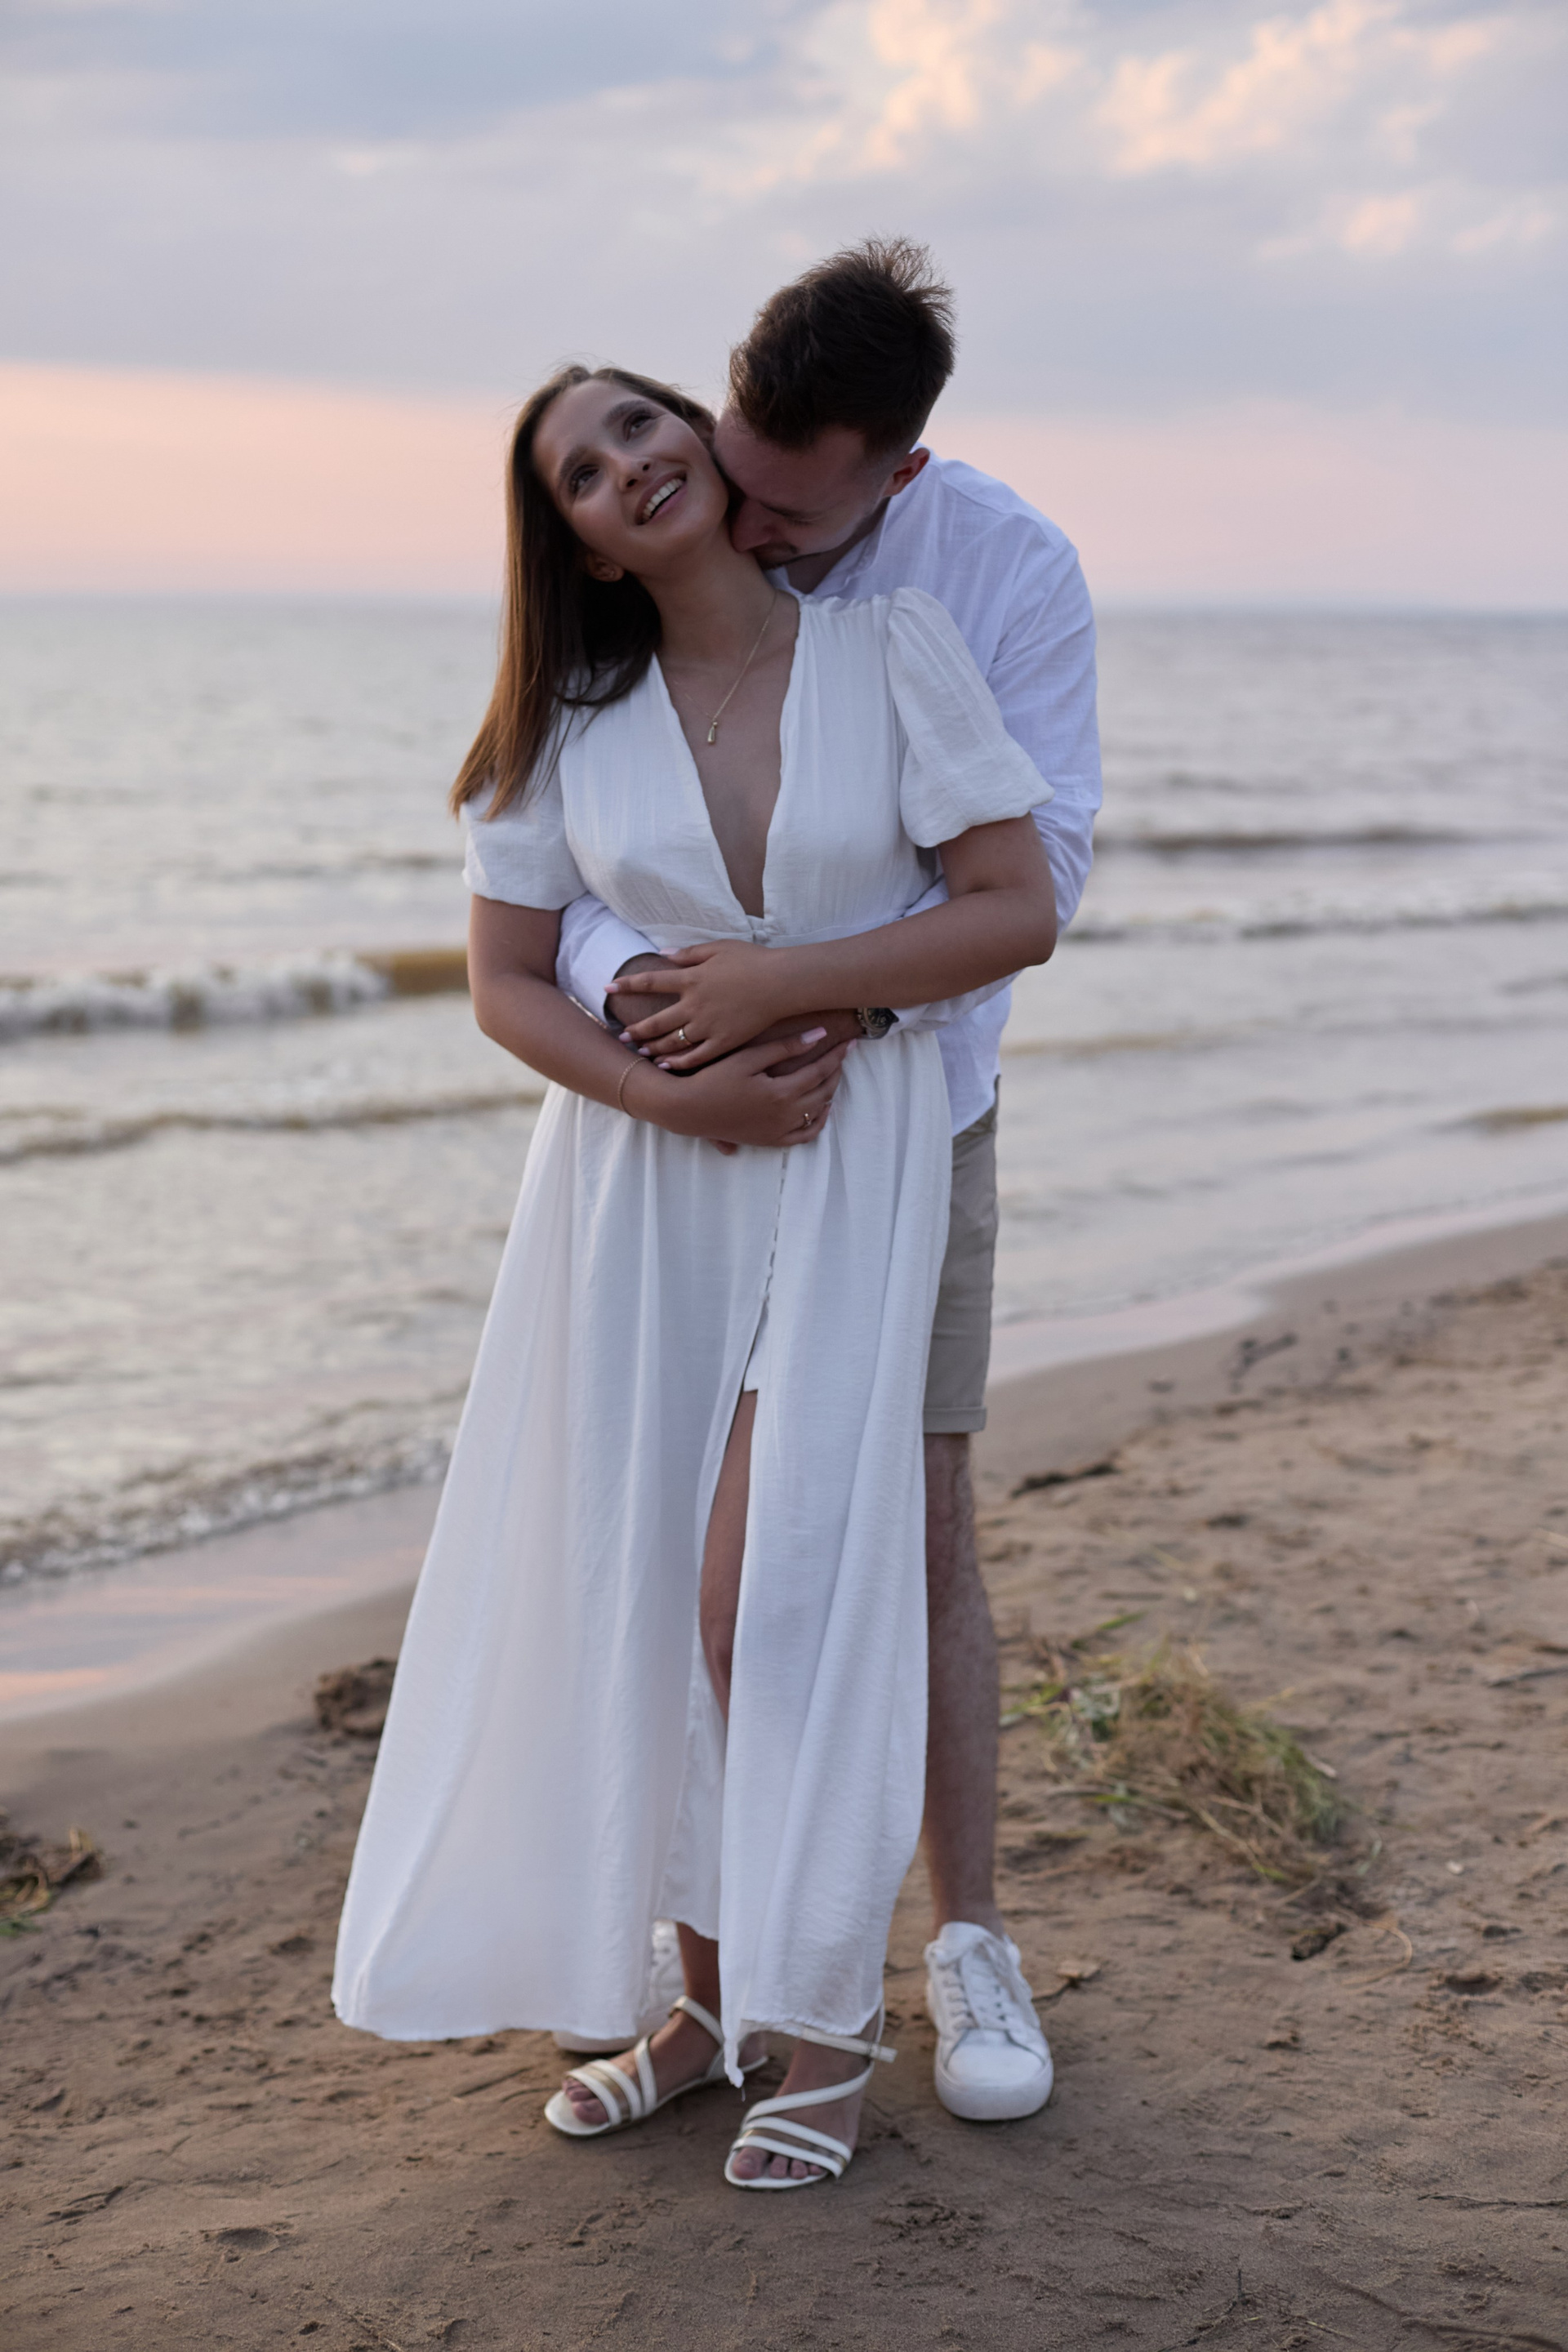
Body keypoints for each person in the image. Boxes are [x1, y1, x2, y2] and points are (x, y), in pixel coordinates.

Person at [332, 356, 1058, 2190]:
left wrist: (779, 994)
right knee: (659, 1601)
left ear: (706, 445)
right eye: (583, 472)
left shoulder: (892, 654)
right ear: (576, 540)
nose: (626, 467)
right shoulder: (566, 724)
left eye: (640, 426)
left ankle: (827, 2022)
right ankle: (707, 2013)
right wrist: (682, 1096)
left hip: (856, 1160)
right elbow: (504, 984)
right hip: (643, 1185)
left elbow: (1015, 906)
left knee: (774, 1595)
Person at [553, 239, 1101, 2123]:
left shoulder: (996, 577)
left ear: (901, 474)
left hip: (917, 1121)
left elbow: (1034, 884)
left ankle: (965, 1940)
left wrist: (795, 993)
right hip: (682, 1135)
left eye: (798, 511)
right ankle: (724, 1965)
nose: (756, 528)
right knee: (690, 1554)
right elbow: (563, 867)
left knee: (912, 1531)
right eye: (738, 473)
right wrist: (652, 1012)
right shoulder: (664, 532)